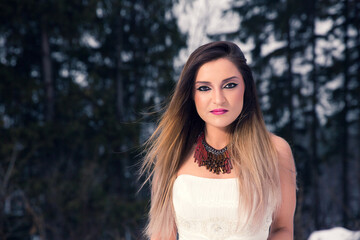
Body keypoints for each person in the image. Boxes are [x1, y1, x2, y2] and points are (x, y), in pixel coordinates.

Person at [140, 41, 297, 240]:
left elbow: (281, 229)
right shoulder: (173, 152)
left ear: (246, 88)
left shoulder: (275, 150)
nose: (218, 99)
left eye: (229, 85)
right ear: (191, 95)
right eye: (204, 88)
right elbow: (162, 235)